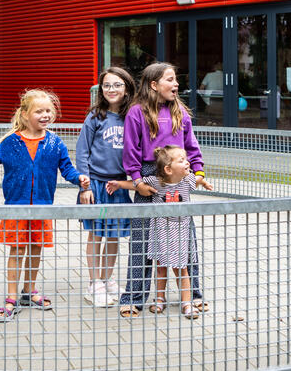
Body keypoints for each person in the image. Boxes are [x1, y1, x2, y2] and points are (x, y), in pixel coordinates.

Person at [0, 90, 90, 321]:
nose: (45, 115)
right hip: (16, 207)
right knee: (17, 250)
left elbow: (66, 168)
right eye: (39, 111)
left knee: (36, 248)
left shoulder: (54, 142)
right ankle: (11, 297)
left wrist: (78, 178)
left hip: (42, 207)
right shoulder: (11, 142)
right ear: (25, 113)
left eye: (49, 110)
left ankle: (29, 291)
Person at [118, 62, 213, 318]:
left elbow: (191, 147)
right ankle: (133, 297)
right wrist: (137, 181)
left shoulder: (179, 110)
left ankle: (193, 294)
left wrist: (198, 172)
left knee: (185, 239)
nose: (176, 84)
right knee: (142, 241)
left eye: (175, 80)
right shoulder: (137, 112)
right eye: (170, 79)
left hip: (178, 177)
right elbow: (131, 150)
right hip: (148, 177)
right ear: (154, 84)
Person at [108, 146, 202, 319]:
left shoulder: (187, 180)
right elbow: (136, 185)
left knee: (181, 269)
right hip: (159, 232)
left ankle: (187, 302)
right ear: (168, 169)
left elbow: (198, 180)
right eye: (181, 161)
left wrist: (203, 180)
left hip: (180, 233)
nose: (187, 162)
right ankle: (159, 298)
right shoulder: (157, 181)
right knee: (160, 268)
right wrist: (119, 184)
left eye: (185, 159)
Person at [76, 67, 136, 307]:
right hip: (97, 186)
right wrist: (85, 186)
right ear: (101, 89)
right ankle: (94, 283)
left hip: (118, 186)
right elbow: (82, 153)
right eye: (107, 85)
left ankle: (107, 278)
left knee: (114, 236)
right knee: (97, 234)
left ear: (127, 88)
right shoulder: (95, 117)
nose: (112, 89)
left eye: (117, 85)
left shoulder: (131, 116)